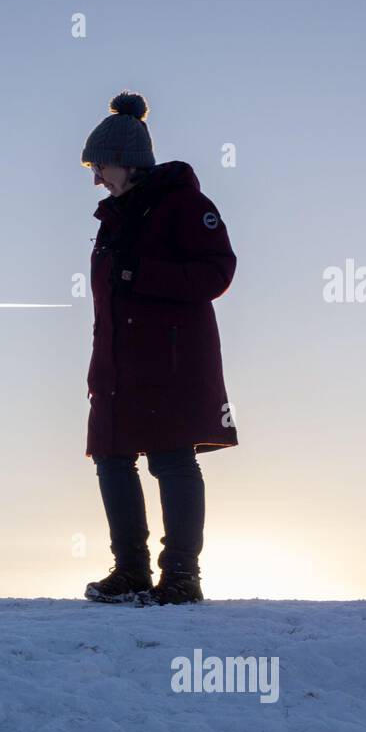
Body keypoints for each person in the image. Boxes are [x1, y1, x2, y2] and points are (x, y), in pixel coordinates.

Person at [79, 91, 238, 606]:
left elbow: (218, 272)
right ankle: (131, 571)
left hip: (172, 363)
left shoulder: (184, 205)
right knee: (111, 459)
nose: (97, 178)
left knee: (171, 460)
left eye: (100, 166)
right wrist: (98, 368)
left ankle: (182, 577)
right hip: (117, 365)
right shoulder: (112, 220)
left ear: (124, 162)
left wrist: (139, 273)